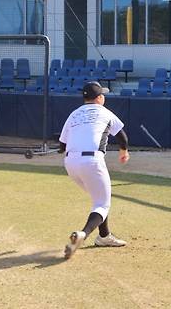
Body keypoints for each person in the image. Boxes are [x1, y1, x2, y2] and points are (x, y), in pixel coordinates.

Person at [59, 81, 130, 259]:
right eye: (102, 94)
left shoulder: (74, 114)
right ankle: (82, 234)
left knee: (98, 199)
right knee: (102, 203)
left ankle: (104, 236)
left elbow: (62, 144)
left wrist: (64, 146)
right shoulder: (104, 112)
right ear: (99, 98)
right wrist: (124, 151)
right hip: (91, 161)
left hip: (70, 163)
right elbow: (122, 136)